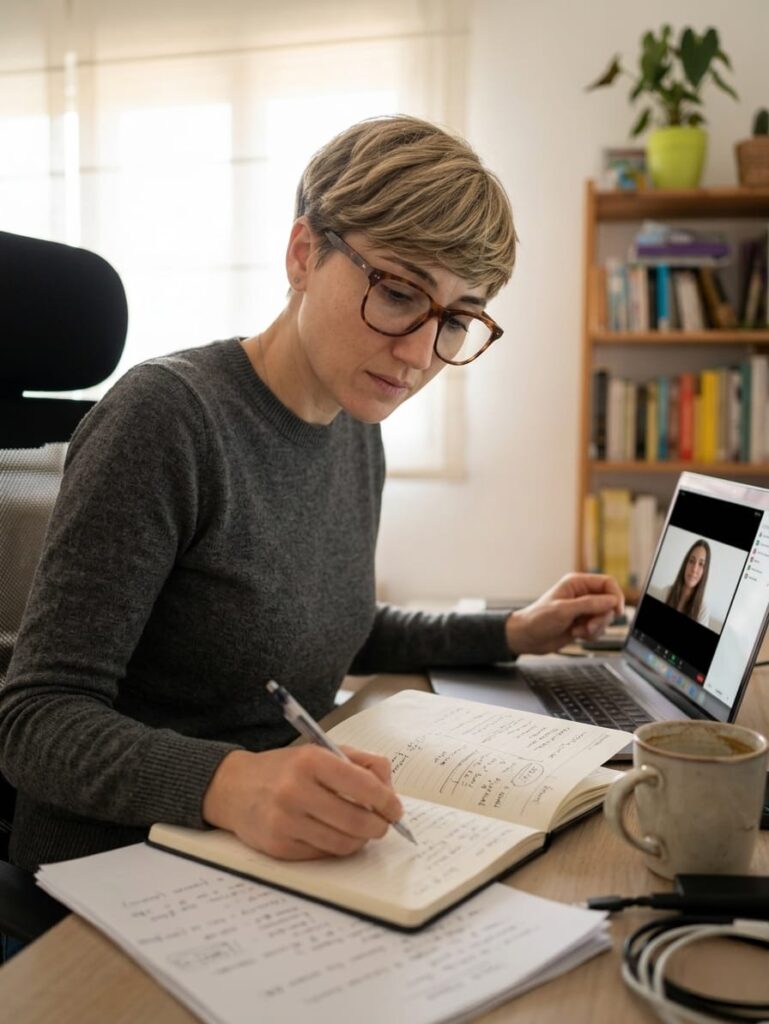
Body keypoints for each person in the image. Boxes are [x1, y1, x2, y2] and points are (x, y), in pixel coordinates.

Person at [0, 115, 623, 884]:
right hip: (118, 870)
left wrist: (511, 630)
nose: (420, 354)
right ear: (303, 255)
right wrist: (229, 782)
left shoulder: (354, 424)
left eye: (456, 321)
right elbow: (36, 722)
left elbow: (329, 624)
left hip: (269, 851)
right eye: (398, 293)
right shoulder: (166, 419)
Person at [665, 539, 711, 626]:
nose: (694, 569)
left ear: (705, 571)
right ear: (685, 564)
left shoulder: (703, 610)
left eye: (701, 564)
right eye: (692, 561)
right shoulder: (666, 592)